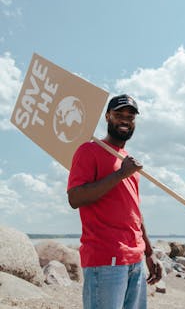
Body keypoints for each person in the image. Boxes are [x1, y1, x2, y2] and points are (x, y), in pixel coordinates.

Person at [67, 94, 162, 309]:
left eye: (130, 116)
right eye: (119, 114)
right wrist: (121, 174)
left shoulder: (128, 160)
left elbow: (134, 210)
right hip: (106, 258)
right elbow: (75, 198)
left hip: (135, 259)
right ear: (107, 116)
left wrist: (149, 251)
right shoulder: (89, 150)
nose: (125, 120)